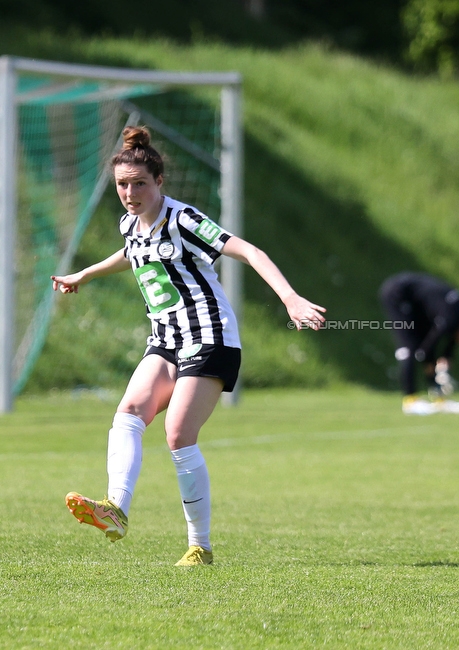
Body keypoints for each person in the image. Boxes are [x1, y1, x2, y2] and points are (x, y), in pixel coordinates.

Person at [51, 126, 326, 566]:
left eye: (139, 183)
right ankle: (116, 510)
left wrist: (289, 298)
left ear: (159, 182)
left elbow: (249, 250)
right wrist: (84, 274)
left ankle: (200, 546)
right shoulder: (130, 223)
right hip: (166, 340)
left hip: (209, 337)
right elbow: (131, 252)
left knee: (178, 435)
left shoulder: (183, 220)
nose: (130, 192)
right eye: (122, 185)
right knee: (128, 413)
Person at [380, 272, 459, 414]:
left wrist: (445, 359)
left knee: (427, 352)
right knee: (410, 348)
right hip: (398, 294)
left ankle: (439, 400)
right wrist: (434, 360)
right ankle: (410, 401)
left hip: (418, 303)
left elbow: (450, 338)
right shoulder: (452, 317)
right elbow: (429, 346)